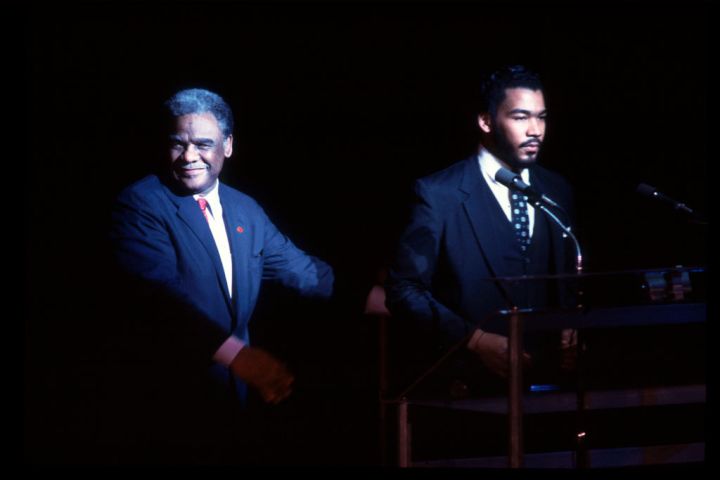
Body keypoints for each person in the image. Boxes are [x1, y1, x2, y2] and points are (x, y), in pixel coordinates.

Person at [105, 88, 334, 463]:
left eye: (203, 144)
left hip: (235, 406)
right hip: (170, 407)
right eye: (178, 144)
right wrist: (239, 356)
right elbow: (160, 300)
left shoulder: (245, 209)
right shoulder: (140, 204)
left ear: (228, 146)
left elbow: (304, 273)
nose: (189, 156)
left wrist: (385, 296)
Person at [385, 65, 577, 397]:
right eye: (520, 117)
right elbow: (404, 290)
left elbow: (564, 281)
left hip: (548, 388)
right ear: (486, 121)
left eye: (541, 117)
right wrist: (474, 340)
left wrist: (572, 323)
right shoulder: (439, 193)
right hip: (468, 389)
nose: (535, 130)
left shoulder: (556, 189)